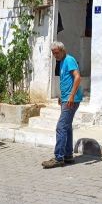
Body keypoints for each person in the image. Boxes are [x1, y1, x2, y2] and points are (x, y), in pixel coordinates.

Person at [42, 41, 83, 169]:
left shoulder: (69, 60)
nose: (55, 56)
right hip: (67, 98)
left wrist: (70, 96)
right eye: (53, 54)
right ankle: (68, 155)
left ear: (62, 50)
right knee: (67, 127)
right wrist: (62, 96)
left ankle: (58, 157)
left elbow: (77, 77)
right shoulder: (61, 62)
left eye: (56, 53)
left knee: (61, 127)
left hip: (72, 99)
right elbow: (66, 80)